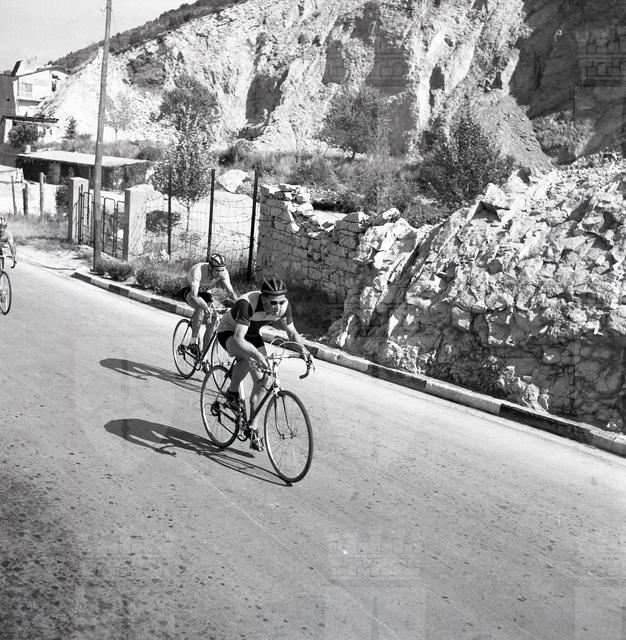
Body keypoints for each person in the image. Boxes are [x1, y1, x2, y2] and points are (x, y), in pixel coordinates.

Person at [216, 277, 311, 451]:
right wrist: (258, 355)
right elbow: (239, 338)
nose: (278, 307)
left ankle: (252, 428)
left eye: (281, 302)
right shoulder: (247, 303)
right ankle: (232, 392)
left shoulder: (284, 306)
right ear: (263, 298)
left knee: (264, 380)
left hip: (251, 334)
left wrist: (304, 351)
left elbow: (292, 333)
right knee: (248, 357)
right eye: (273, 303)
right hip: (230, 332)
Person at [182, 254, 236, 359]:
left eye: (222, 270)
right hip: (189, 290)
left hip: (204, 291)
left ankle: (204, 355)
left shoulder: (223, 272)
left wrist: (241, 305)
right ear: (210, 267)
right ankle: (192, 342)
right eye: (217, 270)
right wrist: (206, 308)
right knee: (200, 309)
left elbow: (231, 293)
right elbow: (194, 295)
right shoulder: (198, 271)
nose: (220, 273)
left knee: (214, 318)